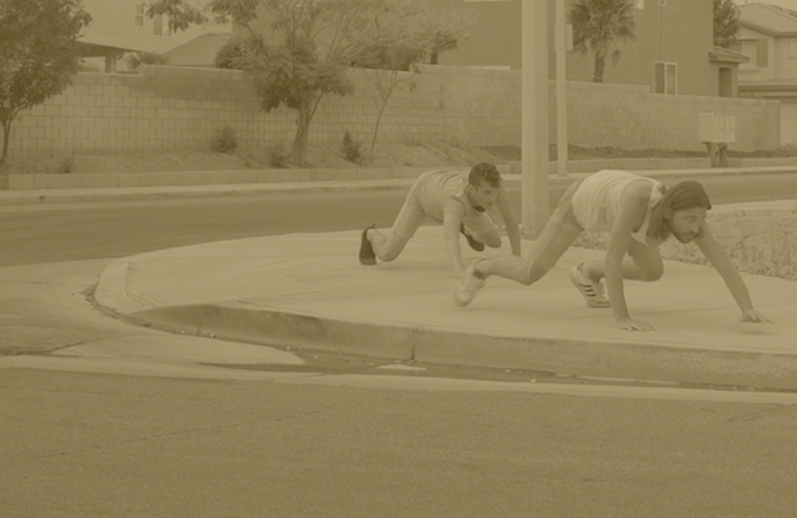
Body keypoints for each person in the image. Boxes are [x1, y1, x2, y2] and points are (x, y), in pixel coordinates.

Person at [454, 169, 772, 332]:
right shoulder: (637, 201)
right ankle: (482, 267)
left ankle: (584, 274)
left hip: (613, 209)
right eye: (689, 220)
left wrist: (746, 308)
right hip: (581, 204)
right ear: (669, 211)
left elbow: (724, 266)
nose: (694, 227)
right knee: (530, 273)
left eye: (699, 219)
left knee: (653, 270)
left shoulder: (692, 219)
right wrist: (622, 317)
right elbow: (613, 256)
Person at [359, 162, 522, 276]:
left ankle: (466, 229)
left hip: (454, 199)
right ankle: (371, 233)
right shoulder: (455, 200)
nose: (492, 198)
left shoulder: (496, 188)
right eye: (487, 192)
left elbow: (510, 221)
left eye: (494, 192)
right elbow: (451, 238)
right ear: (472, 189)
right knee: (387, 254)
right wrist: (461, 273)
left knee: (495, 241)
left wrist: (517, 259)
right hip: (422, 195)